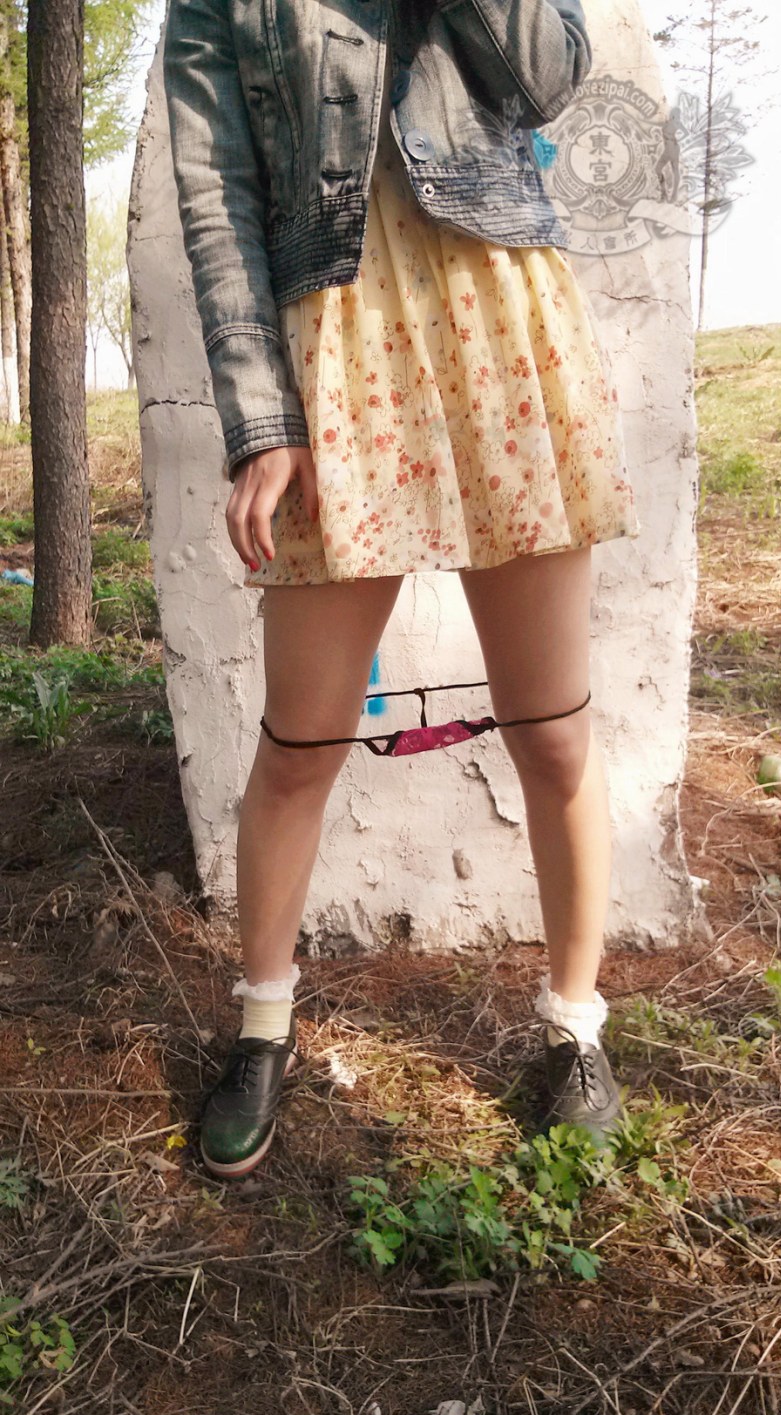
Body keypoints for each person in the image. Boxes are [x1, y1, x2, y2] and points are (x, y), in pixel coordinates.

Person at [163, 0, 642, 1180]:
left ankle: (574, 1029)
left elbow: (545, 78)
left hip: (501, 317)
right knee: (300, 745)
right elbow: (216, 198)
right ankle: (262, 1027)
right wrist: (259, 420)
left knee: (553, 734)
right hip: (333, 341)